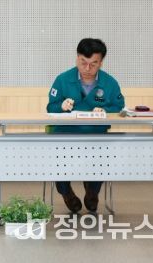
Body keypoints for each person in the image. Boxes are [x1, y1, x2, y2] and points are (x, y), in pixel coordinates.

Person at [46, 38, 125, 214]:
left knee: (102, 156)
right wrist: (61, 106)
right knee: (57, 159)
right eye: (83, 62)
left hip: (96, 137)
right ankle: (66, 193)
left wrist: (105, 110)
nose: (87, 68)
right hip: (65, 137)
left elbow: (119, 108)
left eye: (93, 64)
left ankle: (92, 192)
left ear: (101, 62)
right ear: (77, 58)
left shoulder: (110, 83)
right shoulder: (63, 79)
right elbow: (50, 107)